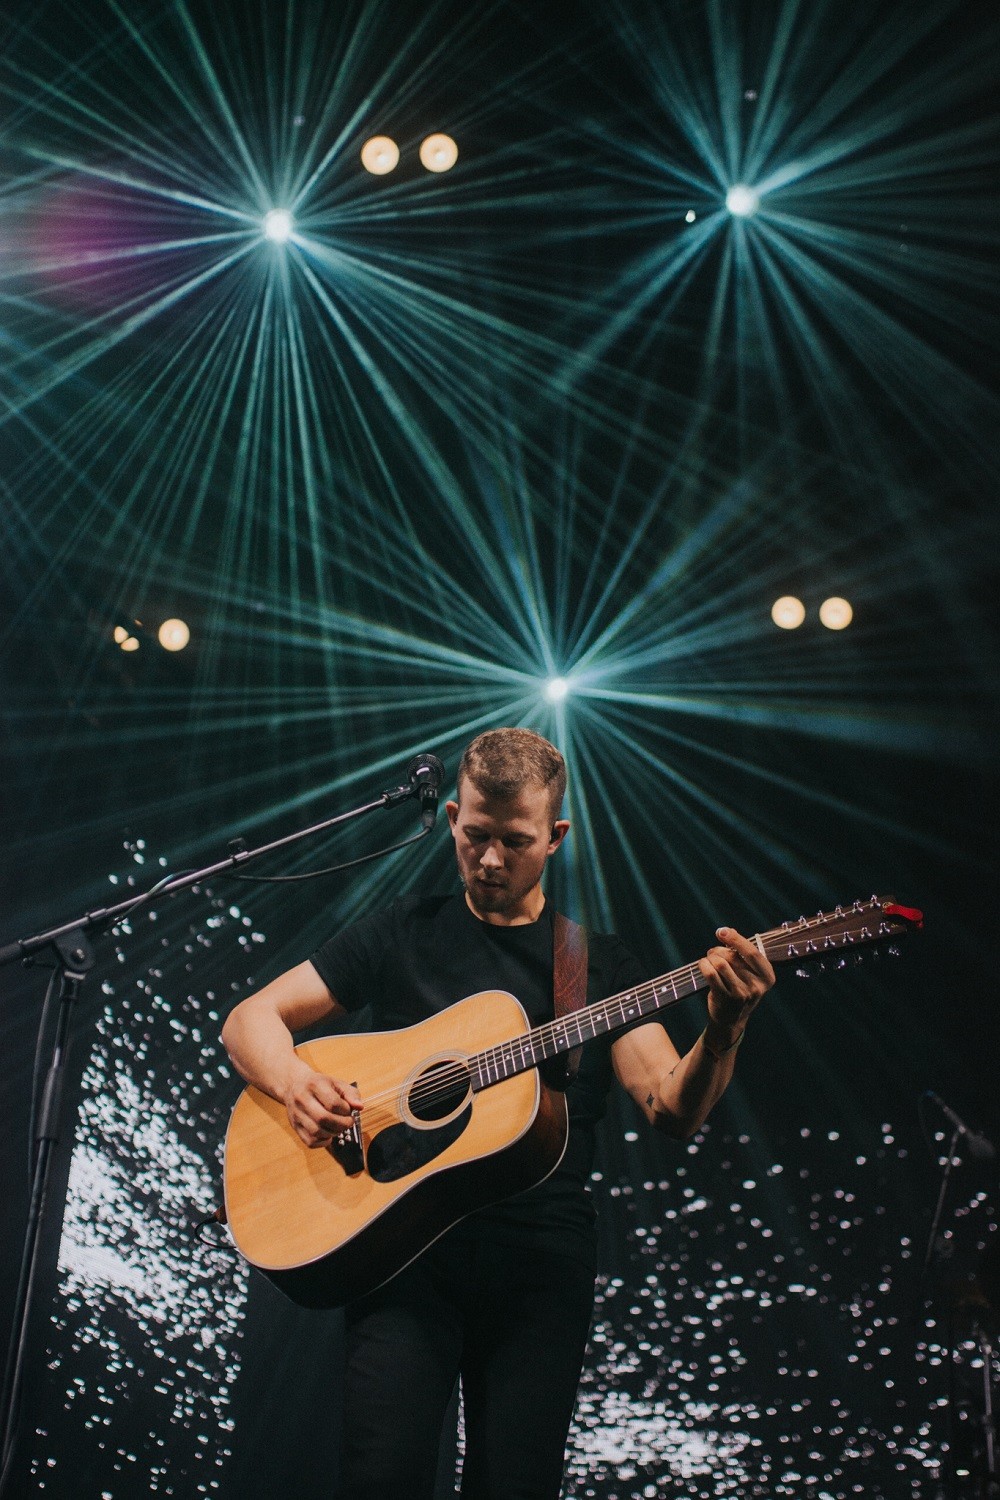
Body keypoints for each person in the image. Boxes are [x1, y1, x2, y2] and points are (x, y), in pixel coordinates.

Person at [221, 728, 774, 1500]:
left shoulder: (596, 966)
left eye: (514, 842)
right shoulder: (401, 930)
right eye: (475, 835)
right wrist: (291, 1082)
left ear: (555, 837)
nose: (488, 860)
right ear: (450, 816)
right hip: (404, 1257)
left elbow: (670, 1106)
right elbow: (250, 1021)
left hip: (539, 1271)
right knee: (380, 1479)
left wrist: (725, 1028)